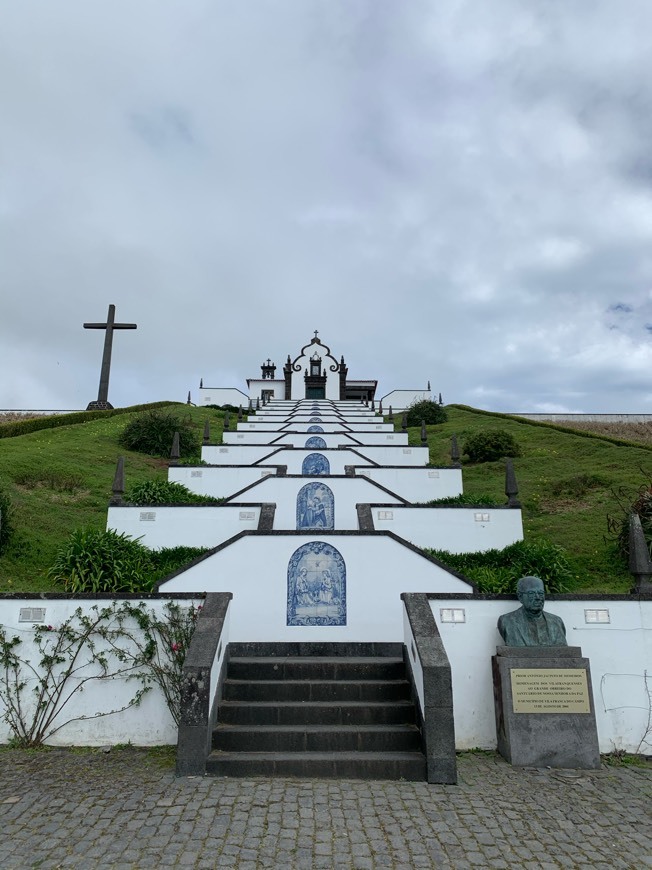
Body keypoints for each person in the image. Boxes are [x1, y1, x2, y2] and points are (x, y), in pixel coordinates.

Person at [497, 576, 567, 647]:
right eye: (531, 593)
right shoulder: (507, 621)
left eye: (541, 593)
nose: (537, 597)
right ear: (520, 596)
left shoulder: (557, 622)